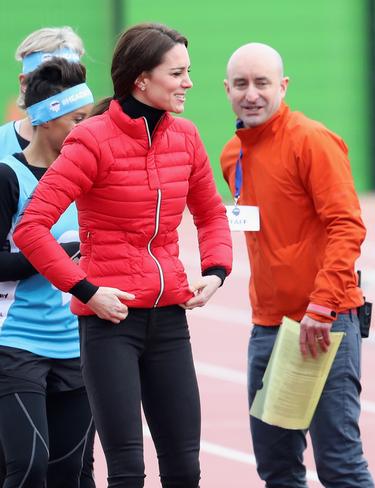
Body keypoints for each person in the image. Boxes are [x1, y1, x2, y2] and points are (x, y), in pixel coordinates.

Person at [12, 23, 233, 488]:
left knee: (184, 469)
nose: (189, 83)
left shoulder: (187, 137)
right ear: (141, 80)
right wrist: (86, 290)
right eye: (178, 73)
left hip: (170, 319)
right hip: (110, 323)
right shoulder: (90, 140)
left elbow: (211, 214)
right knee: (127, 471)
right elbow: (32, 229)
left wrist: (215, 271)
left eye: (188, 72)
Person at [220, 43, 374, 488]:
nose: (252, 94)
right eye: (242, 84)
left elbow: (347, 226)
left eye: (262, 83)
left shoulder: (311, 141)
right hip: (268, 327)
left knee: (340, 466)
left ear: (282, 87)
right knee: (278, 469)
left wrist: (322, 307)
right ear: (227, 90)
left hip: (324, 325)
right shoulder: (233, 155)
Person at [0, 58, 94, 488]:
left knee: (68, 473)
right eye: (78, 119)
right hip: (17, 344)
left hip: (76, 345)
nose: (86, 129)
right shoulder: (8, 177)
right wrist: (57, 254)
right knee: (29, 467)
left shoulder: (87, 179)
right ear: (45, 119)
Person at [0, 27, 84, 157]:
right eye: (49, 78)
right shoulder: (3, 143)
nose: (62, 90)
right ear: (24, 83)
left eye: (72, 80)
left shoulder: (92, 142)